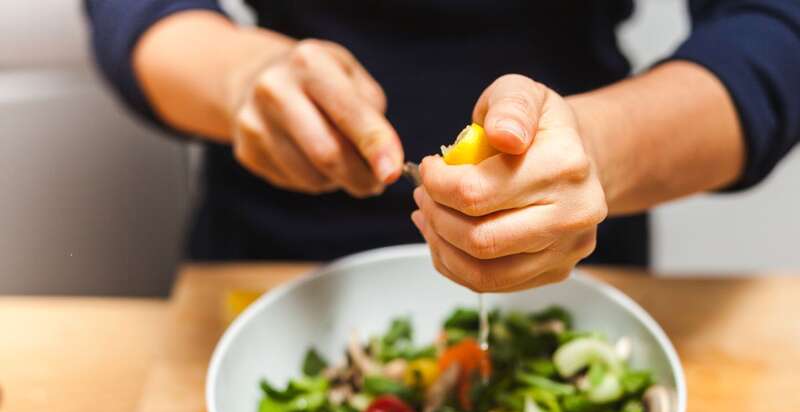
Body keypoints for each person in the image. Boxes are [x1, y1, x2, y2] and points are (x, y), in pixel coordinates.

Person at [85, 1, 800, 292]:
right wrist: (241, 78)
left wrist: (597, 149)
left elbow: (777, 32)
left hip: (578, 265)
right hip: (272, 261)